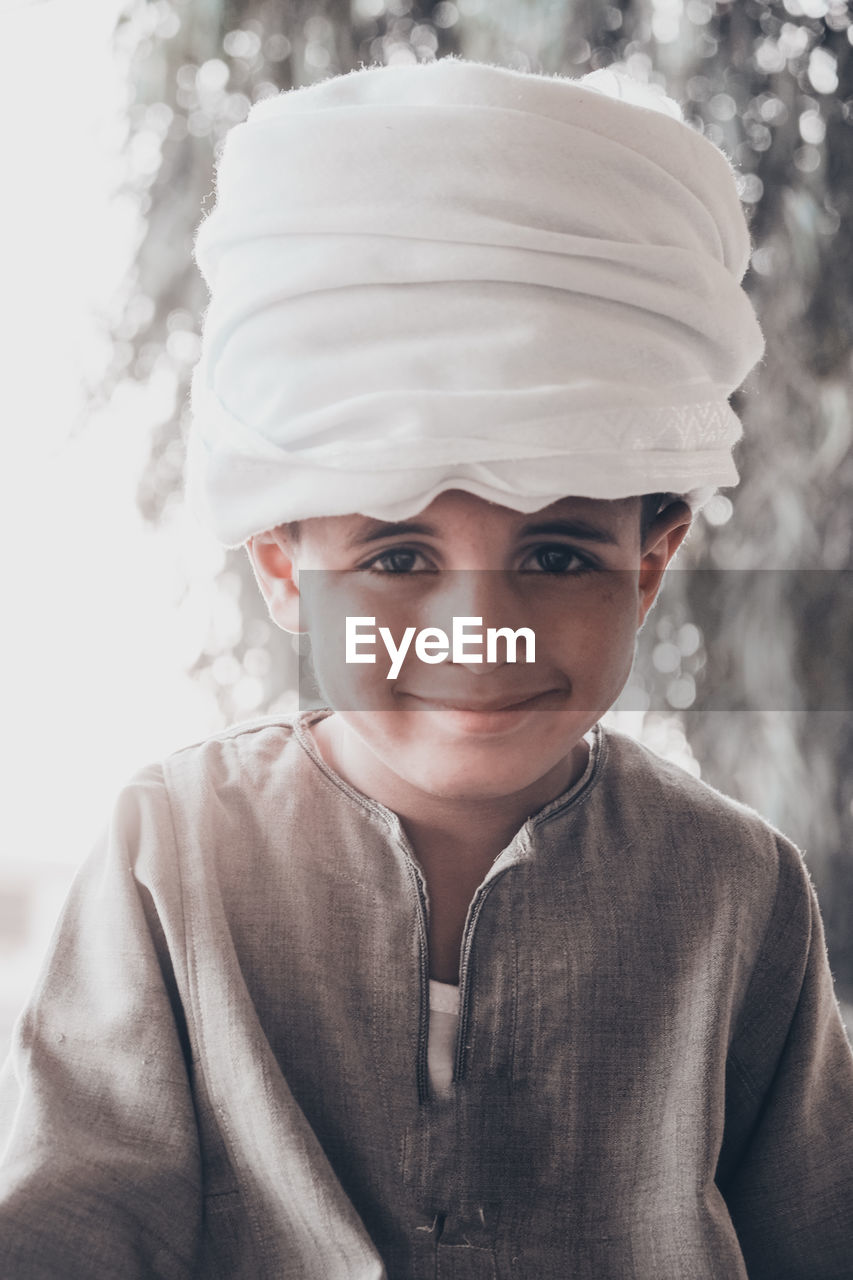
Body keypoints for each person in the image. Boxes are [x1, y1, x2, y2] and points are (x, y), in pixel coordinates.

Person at [1, 56, 851, 1280]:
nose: (475, 627)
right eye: (398, 552)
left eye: (556, 553)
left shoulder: (738, 888)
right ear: (285, 569)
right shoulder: (170, 854)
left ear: (650, 562)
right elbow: (73, 1228)